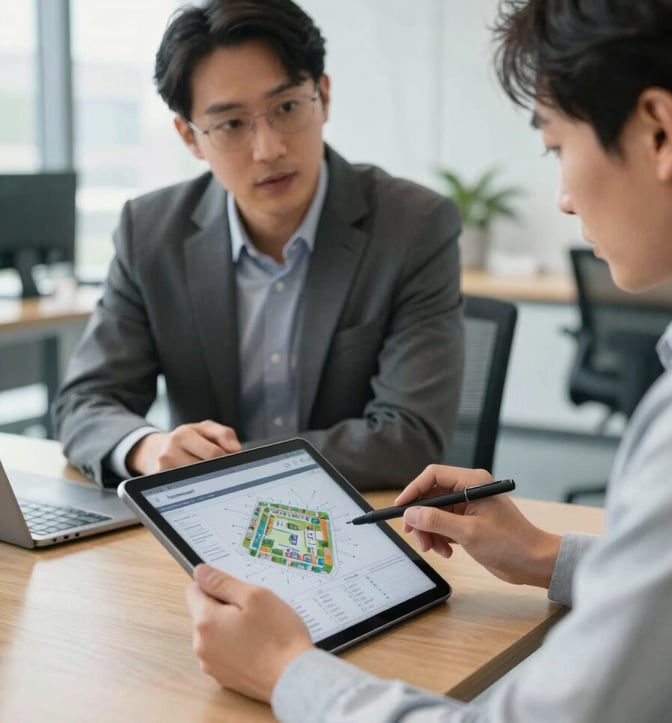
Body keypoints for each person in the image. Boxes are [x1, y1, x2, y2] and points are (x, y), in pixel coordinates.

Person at [185, 0, 672, 720]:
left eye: (556, 146)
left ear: (657, 130)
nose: (559, 197)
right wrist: (545, 553)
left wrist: (285, 669)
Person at [52, 0, 464, 491]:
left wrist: (221, 467)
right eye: (231, 124)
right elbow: (85, 403)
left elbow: (409, 438)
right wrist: (151, 448)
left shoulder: (413, 226)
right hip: (206, 533)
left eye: (286, 108)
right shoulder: (151, 231)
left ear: (323, 97)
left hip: (359, 523)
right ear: (190, 137)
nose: (268, 148)